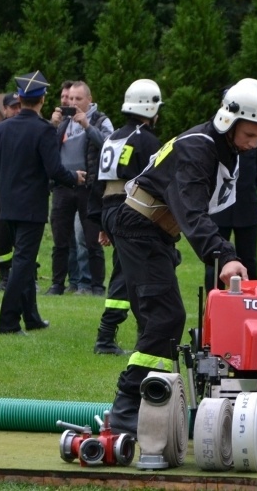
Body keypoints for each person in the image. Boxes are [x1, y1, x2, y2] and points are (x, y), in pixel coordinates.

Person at [107, 78, 257, 436]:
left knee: (158, 322)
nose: (253, 144)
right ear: (228, 121)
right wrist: (224, 253)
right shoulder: (198, 150)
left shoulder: (219, 148)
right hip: (140, 228)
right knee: (167, 317)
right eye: (249, 135)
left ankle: (150, 403)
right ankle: (126, 409)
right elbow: (192, 213)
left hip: (151, 230)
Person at [0, 71, 86, 335]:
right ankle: (8, 321)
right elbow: (55, 169)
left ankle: (31, 316)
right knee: (22, 263)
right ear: (42, 100)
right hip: (31, 206)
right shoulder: (43, 130)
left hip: (8, 206)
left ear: (20, 99)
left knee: (26, 262)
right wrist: (74, 178)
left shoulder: (0, 129)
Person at [89, 78, 163, 355]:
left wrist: (101, 222)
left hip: (109, 209)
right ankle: (114, 337)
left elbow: (98, 182)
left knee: (125, 270)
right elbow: (157, 180)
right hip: (132, 210)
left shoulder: (113, 137)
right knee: (134, 273)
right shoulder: (146, 140)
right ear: (151, 109)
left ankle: (111, 335)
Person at [45, 81, 113, 296]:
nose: (73, 103)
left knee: (92, 240)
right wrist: (52, 126)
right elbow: (46, 148)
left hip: (90, 187)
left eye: (78, 99)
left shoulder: (100, 120)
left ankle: (96, 287)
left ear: (89, 100)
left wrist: (87, 126)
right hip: (64, 186)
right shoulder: (63, 122)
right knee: (60, 240)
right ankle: (58, 284)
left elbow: (109, 147)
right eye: (70, 99)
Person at [205, 87, 257, 289]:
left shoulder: (256, 133)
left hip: (246, 203)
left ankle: (250, 303)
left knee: (248, 259)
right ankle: (214, 303)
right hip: (219, 206)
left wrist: (245, 188)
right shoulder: (214, 134)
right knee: (215, 260)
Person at [0, 91, 21, 291]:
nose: (16, 110)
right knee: (2, 231)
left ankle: (26, 274)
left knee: (23, 231)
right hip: (2, 189)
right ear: (5, 109)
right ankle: (4, 275)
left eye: (19, 106)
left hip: (23, 189)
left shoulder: (27, 130)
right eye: (13, 107)